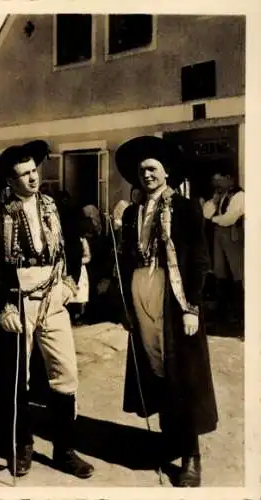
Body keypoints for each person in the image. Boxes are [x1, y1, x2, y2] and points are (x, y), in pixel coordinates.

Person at [0, 140, 94, 479]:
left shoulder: (56, 205)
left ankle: (65, 450)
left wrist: (69, 285)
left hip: (54, 300)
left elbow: (73, 249)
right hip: (17, 303)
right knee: (18, 380)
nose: (32, 179)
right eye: (23, 174)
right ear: (10, 181)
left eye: (34, 171)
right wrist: (3, 306)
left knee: (66, 374)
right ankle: (23, 445)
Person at [115, 136, 218, 487]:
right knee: (155, 366)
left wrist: (192, 306)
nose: (146, 175)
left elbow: (200, 261)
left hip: (173, 295)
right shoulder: (132, 212)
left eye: (153, 169)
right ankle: (168, 440)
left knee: (183, 372)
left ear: (166, 172)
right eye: (142, 170)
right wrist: (126, 306)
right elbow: (126, 259)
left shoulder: (186, 209)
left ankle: (191, 455)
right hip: (141, 290)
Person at [203, 164, 244, 328]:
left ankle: (237, 314)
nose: (216, 183)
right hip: (220, 238)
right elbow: (206, 212)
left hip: (233, 238)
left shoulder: (240, 195)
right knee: (220, 274)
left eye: (219, 179)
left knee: (237, 275)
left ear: (229, 178)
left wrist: (213, 220)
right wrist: (214, 200)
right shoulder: (221, 195)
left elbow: (229, 219)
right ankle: (222, 314)